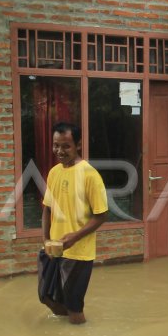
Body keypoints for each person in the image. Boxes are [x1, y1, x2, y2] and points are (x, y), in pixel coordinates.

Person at [38, 122, 107, 324]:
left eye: (66, 146)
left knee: (74, 308)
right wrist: (46, 240)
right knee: (48, 297)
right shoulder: (53, 172)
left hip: (79, 253)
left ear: (78, 145)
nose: (59, 151)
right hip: (55, 249)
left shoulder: (90, 175)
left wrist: (74, 237)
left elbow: (101, 216)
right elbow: (47, 209)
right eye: (56, 145)